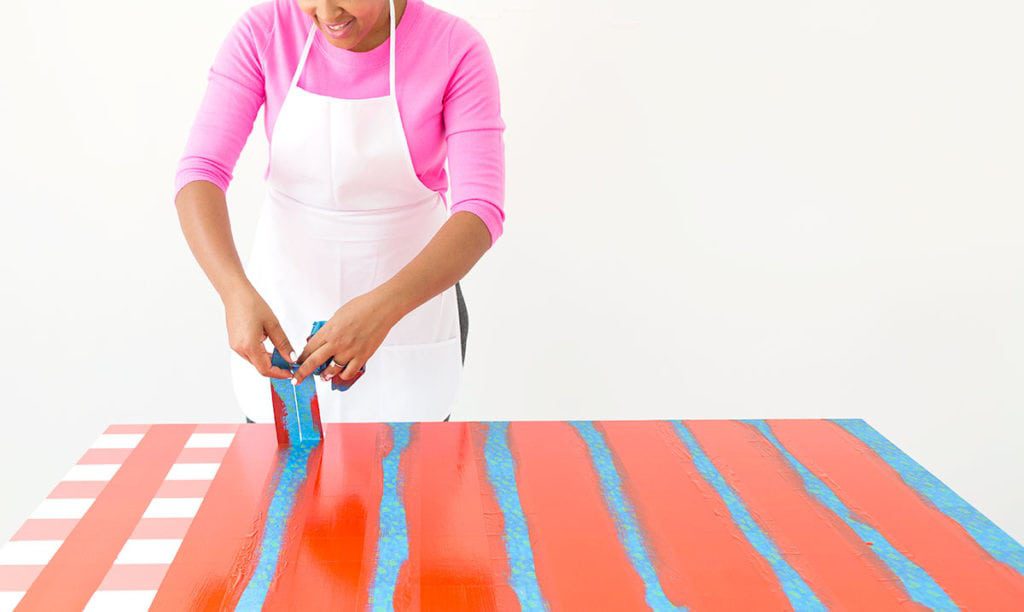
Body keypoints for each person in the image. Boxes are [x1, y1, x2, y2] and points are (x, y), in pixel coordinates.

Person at [173, 0, 505, 423]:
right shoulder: (266, 31)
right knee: (288, 467)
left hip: (409, 316)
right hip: (284, 313)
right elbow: (202, 170)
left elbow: (480, 210)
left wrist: (384, 309)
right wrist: (233, 291)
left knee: (409, 466)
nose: (328, 13)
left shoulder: (454, 48)